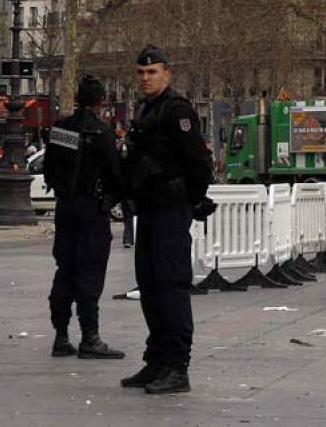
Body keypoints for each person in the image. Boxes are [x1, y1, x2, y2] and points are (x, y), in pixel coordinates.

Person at [119, 46, 213, 396]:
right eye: (141, 73)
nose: (145, 78)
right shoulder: (148, 110)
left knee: (171, 288)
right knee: (150, 286)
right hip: (151, 210)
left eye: (152, 72)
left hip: (171, 211)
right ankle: (157, 360)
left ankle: (177, 367)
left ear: (167, 74)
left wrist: (188, 201)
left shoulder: (176, 111)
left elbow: (199, 163)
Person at [44, 75, 126, 360]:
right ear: (101, 100)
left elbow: (50, 168)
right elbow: (115, 174)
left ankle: (61, 335)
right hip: (92, 209)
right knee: (90, 273)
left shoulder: (61, 129)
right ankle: (90, 336)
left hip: (65, 207)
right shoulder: (101, 133)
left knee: (65, 270)